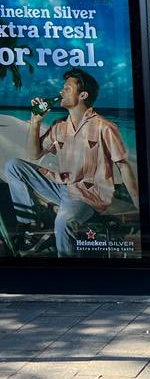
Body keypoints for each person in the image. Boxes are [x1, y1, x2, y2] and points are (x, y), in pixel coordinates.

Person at [4, 71, 140, 257]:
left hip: (89, 194)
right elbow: (33, 154)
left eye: (67, 88)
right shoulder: (60, 126)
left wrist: (140, 207)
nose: (61, 91)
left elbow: (124, 166)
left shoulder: (104, 127)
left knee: (64, 220)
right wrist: (36, 122)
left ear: (83, 95)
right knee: (14, 165)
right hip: (62, 185)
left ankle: (66, 264)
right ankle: (30, 225)